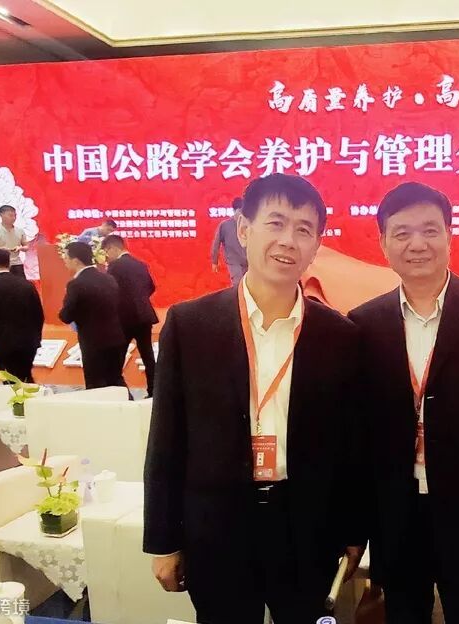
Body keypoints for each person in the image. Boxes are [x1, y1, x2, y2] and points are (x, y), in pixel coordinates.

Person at [144, 174, 363, 624]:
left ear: (316, 245)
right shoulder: (190, 324)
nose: (288, 240)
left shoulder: (339, 336)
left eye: (304, 229)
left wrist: (353, 530)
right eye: (275, 223)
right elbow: (166, 438)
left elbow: (351, 446)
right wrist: (163, 541)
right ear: (244, 230)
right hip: (217, 526)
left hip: (307, 527)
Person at [348, 182, 459, 623]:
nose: (417, 244)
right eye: (402, 233)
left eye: (430, 230)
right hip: (396, 512)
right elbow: (356, 436)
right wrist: (355, 525)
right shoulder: (363, 323)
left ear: (450, 235)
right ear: (383, 243)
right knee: (403, 613)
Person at [58, 242, 127, 392]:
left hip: (93, 342)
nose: (64, 260)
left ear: (76, 260)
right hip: (116, 337)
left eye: (66, 257)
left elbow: (66, 316)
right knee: (116, 379)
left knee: (96, 385)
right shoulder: (109, 278)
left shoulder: (76, 284)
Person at [0, 248, 44, 383]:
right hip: (28, 344)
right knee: (25, 376)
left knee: (10, 382)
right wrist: (36, 339)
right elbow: (38, 315)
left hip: (2, 344)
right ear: (9, 263)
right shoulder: (26, 285)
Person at [102, 234, 158, 398]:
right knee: (148, 356)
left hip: (124, 318)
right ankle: (154, 392)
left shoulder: (114, 267)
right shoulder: (140, 264)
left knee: (117, 359)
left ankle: (123, 395)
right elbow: (151, 286)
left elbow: (109, 291)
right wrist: (139, 300)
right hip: (144, 315)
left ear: (113, 248)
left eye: (106, 251)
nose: (107, 256)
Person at [210, 197, 248, 287]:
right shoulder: (225, 225)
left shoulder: (248, 225)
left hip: (248, 261)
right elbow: (216, 244)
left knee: (248, 285)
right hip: (233, 261)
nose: (242, 214)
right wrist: (214, 261)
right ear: (235, 210)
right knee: (237, 285)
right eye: (240, 211)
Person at [0, 205, 28, 278]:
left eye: (15, 215)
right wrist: (1, 249)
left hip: (16, 263)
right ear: (1, 215)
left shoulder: (20, 230)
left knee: (21, 283)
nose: (13, 218)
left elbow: (26, 247)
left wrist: (19, 248)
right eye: (10, 215)